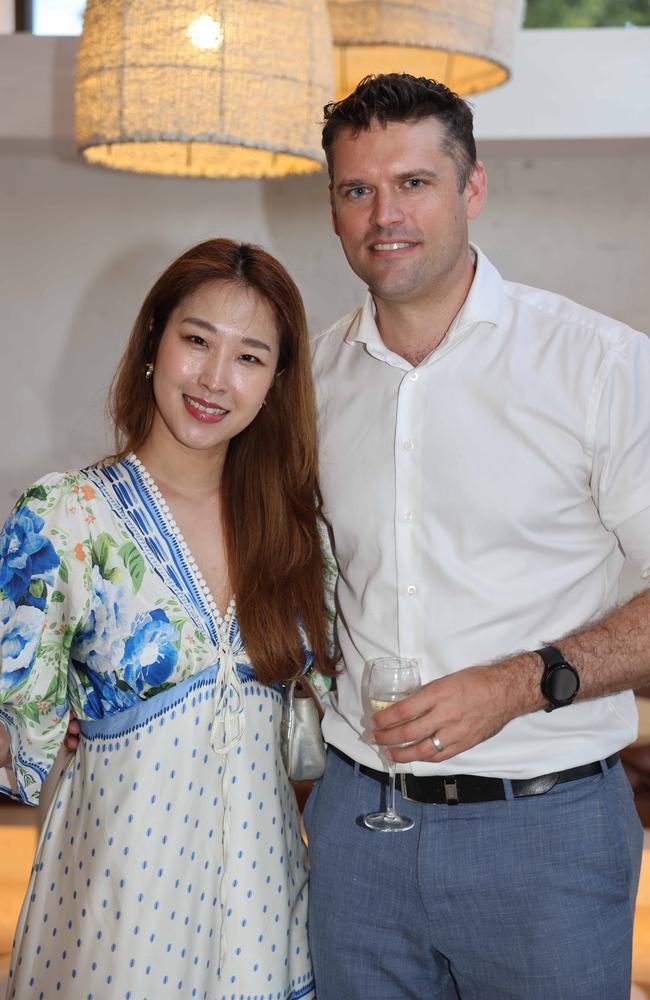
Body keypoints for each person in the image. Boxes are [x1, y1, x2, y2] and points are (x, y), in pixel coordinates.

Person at [305, 73, 650, 1000]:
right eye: (357, 189)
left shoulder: (599, 365)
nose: (386, 214)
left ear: (474, 189)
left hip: (549, 837)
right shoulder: (307, 382)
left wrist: (519, 682)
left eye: (415, 182)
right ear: (333, 206)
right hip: (353, 831)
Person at [0, 238, 331, 999]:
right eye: (196, 340)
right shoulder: (65, 518)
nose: (216, 379)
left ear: (277, 381)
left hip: (263, 905)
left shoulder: (296, 532)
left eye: (251, 357)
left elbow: (345, 694)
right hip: (115, 905)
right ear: (153, 341)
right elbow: (21, 737)